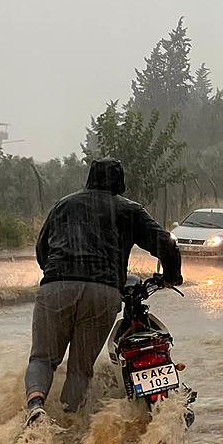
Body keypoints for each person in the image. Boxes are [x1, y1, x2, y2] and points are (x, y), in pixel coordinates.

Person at [25, 158, 182, 426]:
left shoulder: (64, 205)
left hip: (57, 285)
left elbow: (42, 251)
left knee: (42, 357)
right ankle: (68, 421)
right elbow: (166, 244)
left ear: (90, 178)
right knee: (80, 367)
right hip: (103, 292)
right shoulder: (128, 210)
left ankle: (36, 406)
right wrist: (171, 277)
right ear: (120, 183)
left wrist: (58, 274)